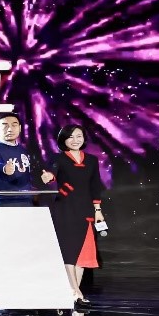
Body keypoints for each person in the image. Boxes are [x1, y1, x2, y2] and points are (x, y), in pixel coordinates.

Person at [42, 124, 106, 304]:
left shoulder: (92, 160)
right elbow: (51, 172)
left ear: (84, 138)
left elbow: (95, 186)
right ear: (64, 139)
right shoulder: (58, 158)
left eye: (79, 136)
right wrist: (48, 177)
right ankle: (75, 291)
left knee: (82, 253)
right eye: (71, 137)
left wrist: (98, 210)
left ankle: (74, 291)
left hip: (86, 209)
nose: (75, 140)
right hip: (65, 208)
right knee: (69, 250)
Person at [0, 113, 40, 207]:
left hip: (25, 201)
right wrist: (5, 168)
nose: (10, 129)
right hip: (1, 203)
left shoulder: (23, 149)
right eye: (5, 126)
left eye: (14, 125)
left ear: (20, 128)